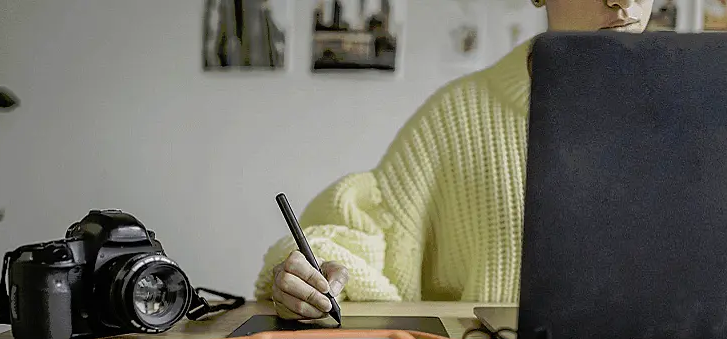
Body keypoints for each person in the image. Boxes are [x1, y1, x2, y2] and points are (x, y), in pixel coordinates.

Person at [255, 0, 655, 320]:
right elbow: (365, 235)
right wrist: (312, 276)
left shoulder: (703, 109)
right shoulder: (461, 114)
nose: (623, 1)